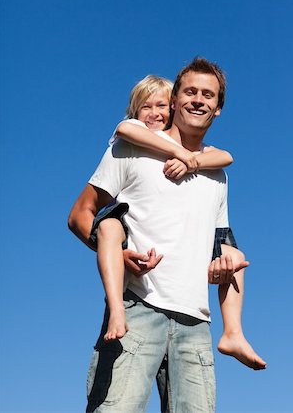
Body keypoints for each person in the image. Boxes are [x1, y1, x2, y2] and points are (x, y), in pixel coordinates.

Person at [68, 58, 266, 413]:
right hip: (136, 312)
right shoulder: (131, 147)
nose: (198, 100)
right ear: (174, 99)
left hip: (196, 324)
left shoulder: (217, 174)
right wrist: (113, 251)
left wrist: (221, 267)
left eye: (209, 95)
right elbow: (80, 215)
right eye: (190, 91)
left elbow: (216, 242)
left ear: (218, 109)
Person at [91, 75, 234, 343]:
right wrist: (183, 155)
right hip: (120, 227)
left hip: (191, 310)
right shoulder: (133, 138)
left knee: (236, 255)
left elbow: (226, 157)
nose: (154, 114)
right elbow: (124, 128)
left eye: (161, 106)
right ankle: (117, 311)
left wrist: (192, 161)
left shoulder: (208, 166)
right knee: (109, 229)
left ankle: (234, 332)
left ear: (171, 108)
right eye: (145, 107)